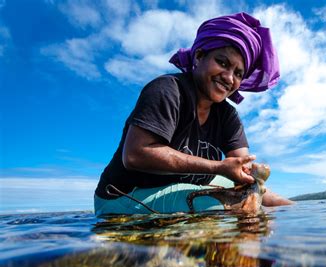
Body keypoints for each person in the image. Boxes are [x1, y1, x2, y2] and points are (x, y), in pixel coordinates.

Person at [94, 12, 293, 216]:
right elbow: (136, 155)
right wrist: (218, 167)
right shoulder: (168, 90)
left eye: (238, 73)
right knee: (235, 207)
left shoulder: (227, 115)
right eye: (223, 63)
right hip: (124, 195)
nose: (229, 78)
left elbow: (242, 170)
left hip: (182, 185)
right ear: (199, 57)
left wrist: (260, 184)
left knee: (258, 198)